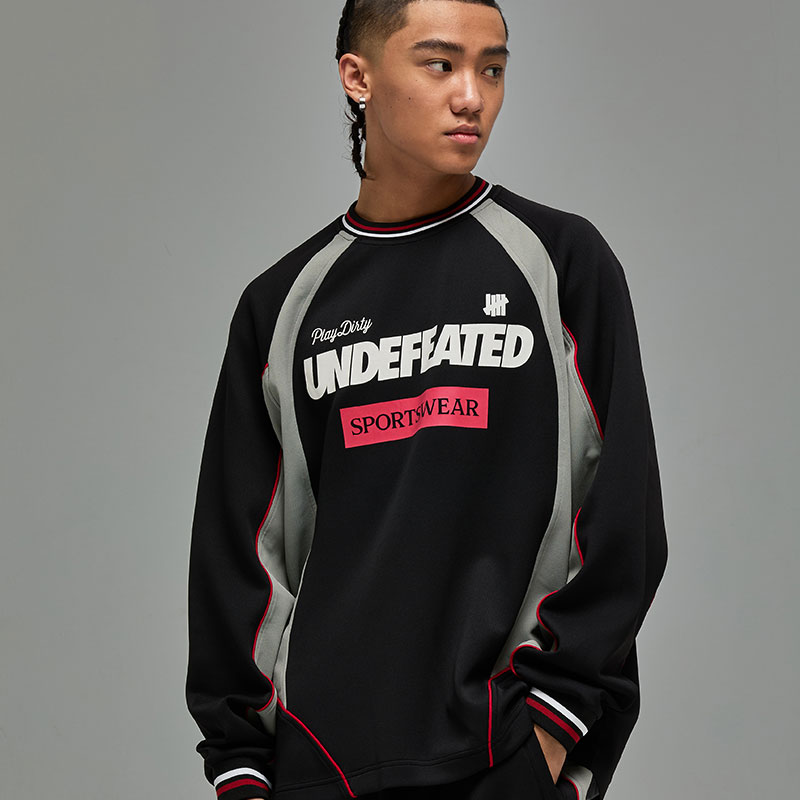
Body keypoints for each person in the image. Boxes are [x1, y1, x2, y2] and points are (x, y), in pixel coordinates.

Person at [185, 1, 668, 798]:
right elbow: (240, 560)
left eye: (492, 68)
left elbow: (623, 518)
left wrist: (548, 735)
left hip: (502, 757)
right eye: (441, 64)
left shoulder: (560, 263)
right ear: (358, 76)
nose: (472, 95)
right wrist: (243, 768)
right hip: (321, 770)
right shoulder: (282, 306)